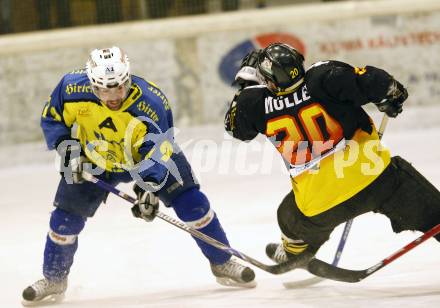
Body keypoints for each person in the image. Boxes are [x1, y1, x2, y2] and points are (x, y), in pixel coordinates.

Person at [23, 46, 255, 303]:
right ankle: (54, 279)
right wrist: (68, 150)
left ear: (128, 78)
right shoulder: (70, 89)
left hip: (145, 156)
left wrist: (147, 189)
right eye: (103, 89)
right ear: (91, 83)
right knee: (63, 221)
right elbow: (53, 118)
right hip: (94, 158)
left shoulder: (151, 102)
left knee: (193, 204)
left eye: (118, 87)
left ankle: (222, 261)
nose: (112, 96)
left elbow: (159, 150)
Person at [225, 42, 440, 267]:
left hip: (319, 207)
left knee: (288, 214)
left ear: (268, 81)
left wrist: (246, 88)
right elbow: (377, 83)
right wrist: (392, 95)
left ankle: (294, 250)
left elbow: (234, 128)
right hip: (377, 182)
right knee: (434, 214)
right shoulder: (323, 76)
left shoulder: (253, 103)